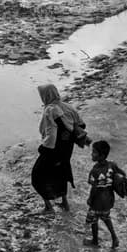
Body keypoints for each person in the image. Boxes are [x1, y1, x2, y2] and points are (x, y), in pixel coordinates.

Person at [32, 84, 85, 213]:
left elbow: (51, 135)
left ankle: (48, 206)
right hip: (67, 150)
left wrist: (43, 150)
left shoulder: (50, 110)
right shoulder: (68, 107)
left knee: (37, 176)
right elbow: (81, 125)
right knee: (61, 173)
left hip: (53, 150)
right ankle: (64, 204)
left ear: (45, 96)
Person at [85, 140, 126, 248]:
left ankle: (95, 241)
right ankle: (114, 237)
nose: (91, 154)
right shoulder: (112, 165)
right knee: (106, 217)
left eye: (94, 152)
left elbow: (94, 188)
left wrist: (90, 199)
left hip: (97, 201)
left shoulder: (95, 170)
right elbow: (122, 174)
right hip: (109, 200)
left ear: (101, 155)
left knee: (94, 219)